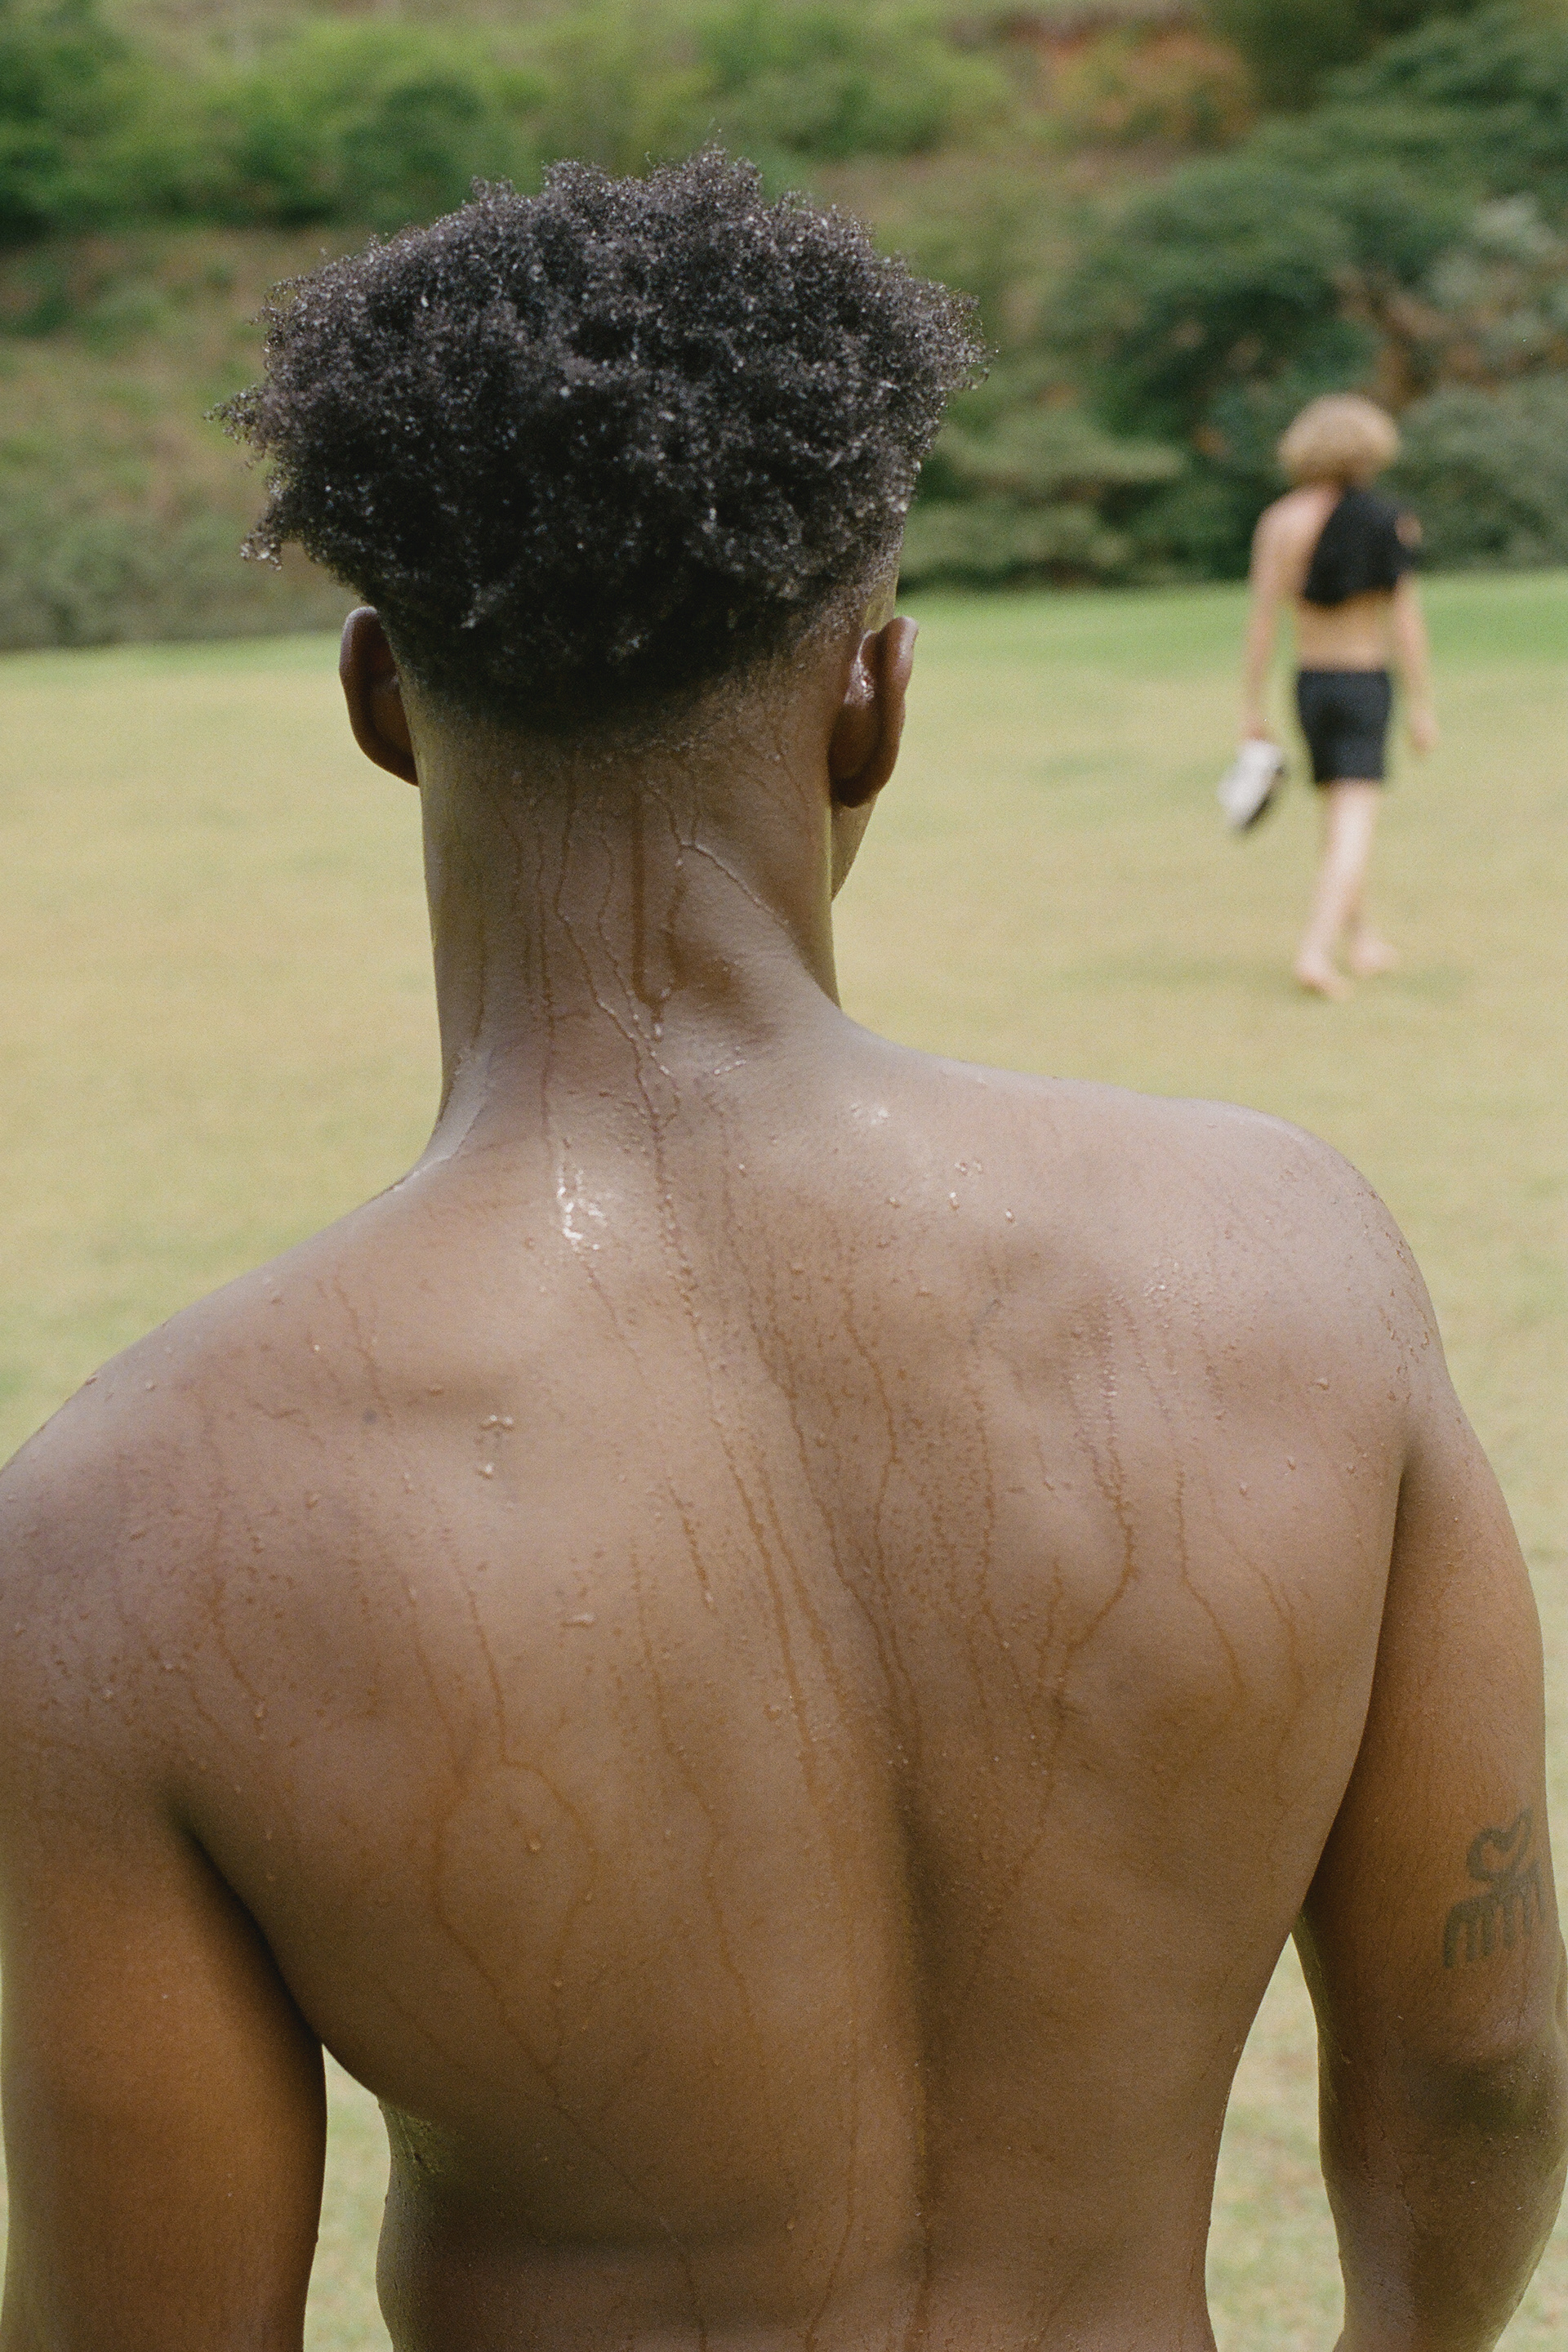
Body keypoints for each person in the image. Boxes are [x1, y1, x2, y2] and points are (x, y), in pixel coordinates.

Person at [1, 157, 1564, 2352]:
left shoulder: (129, 1535)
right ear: (874, 701)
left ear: (378, 703)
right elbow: (1482, 2055)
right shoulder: (1289, 1260)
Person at [1241, 393, 1439, 1000]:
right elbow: (1405, 621)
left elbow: (1262, 621)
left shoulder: (1280, 521)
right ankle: (1316, 950)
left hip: (1310, 684)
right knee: (1354, 821)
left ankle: (1362, 939)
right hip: (1363, 681)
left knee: (1336, 818)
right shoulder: (1389, 520)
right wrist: (1421, 705)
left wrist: (1251, 705)